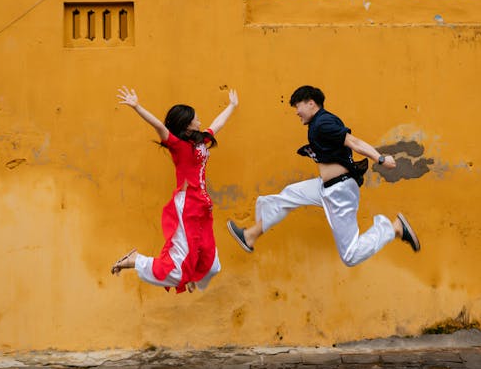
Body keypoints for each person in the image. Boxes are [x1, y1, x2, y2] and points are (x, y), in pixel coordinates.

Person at [227, 85, 419, 266]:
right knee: (287, 196)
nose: (296, 112)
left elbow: (353, 141)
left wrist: (381, 158)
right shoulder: (319, 122)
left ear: (311, 103)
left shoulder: (323, 123)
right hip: (325, 186)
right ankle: (250, 235)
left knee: (350, 256)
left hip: (339, 191)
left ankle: (393, 228)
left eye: (298, 106)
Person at [111, 86, 238, 293]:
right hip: (187, 205)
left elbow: (218, 124)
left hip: (203, 206)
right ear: (187, 125)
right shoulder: (178, 145)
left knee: (213, 265)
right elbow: (159, 126)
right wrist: (137, 107)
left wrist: (232, 106)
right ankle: (136, 260)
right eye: (196, 119)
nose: (199, 120)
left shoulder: (200, 140)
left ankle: (192, 277)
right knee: (177, 271)